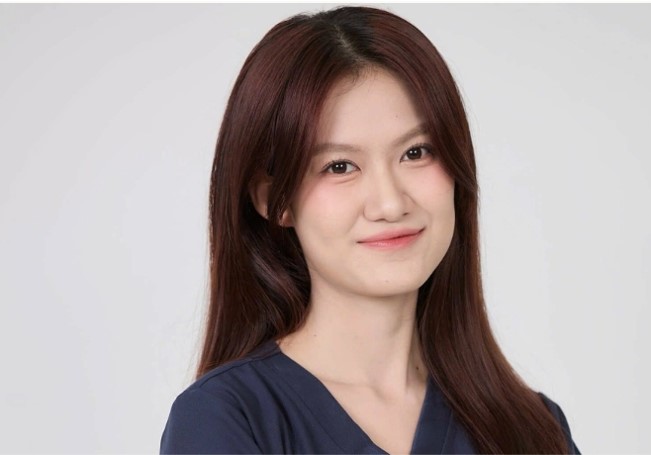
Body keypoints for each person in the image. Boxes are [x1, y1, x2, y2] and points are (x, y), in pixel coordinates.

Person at [161, 6, 581, 454]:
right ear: (274, 201)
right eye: (339, 166)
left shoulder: (533, 428)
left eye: (417, 152)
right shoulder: (226, 418)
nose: (390, 203)